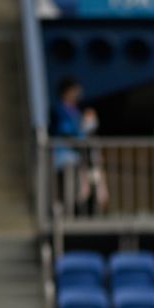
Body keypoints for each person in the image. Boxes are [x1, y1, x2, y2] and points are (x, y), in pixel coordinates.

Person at [51, 77, 108, 215]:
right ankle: (65, 216)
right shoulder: (60, 110)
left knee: (78, 189)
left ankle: (73, 214)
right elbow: (66, 132)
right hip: (63, 157)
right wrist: (80, 138)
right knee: (66, 189)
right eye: (75, 91)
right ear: (67, 92)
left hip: (76, 157)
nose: (78, 94)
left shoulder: (75, 110)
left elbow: (81, 131)